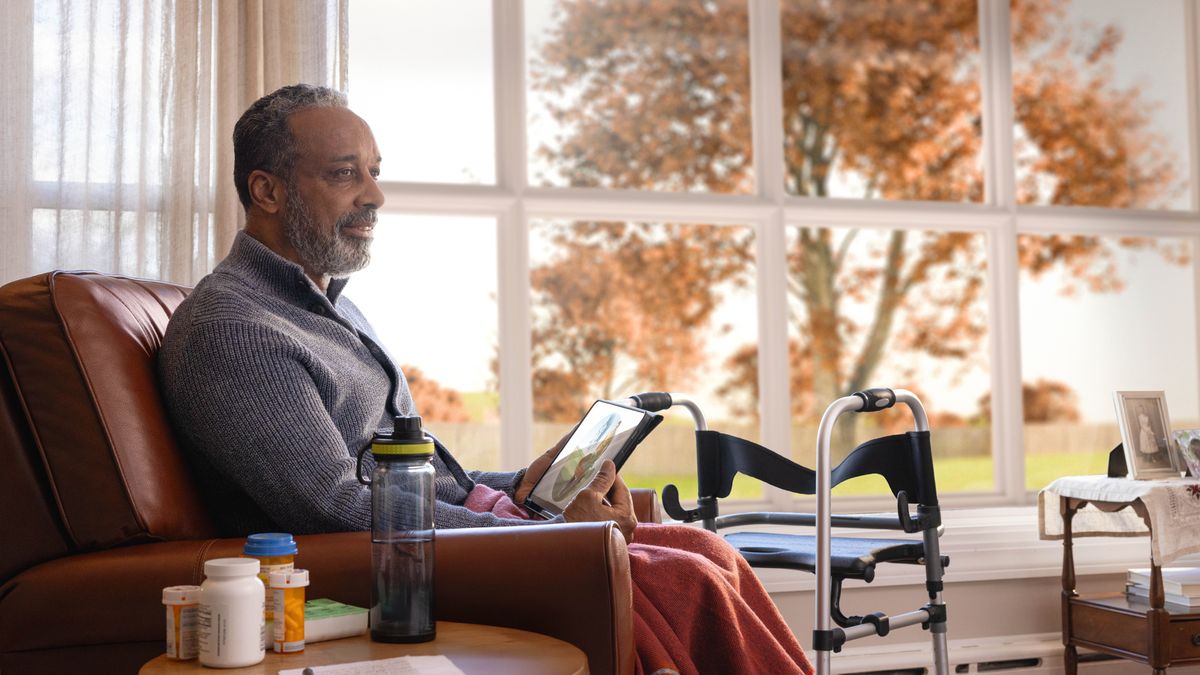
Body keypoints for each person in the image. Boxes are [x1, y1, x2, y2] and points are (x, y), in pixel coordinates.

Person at [159, 84, 811, 674]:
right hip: (382, 576)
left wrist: (516, 486)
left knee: (705, 546)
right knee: (688, 578)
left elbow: (405, 471)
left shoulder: (330, 305)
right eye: (344, 174)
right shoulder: (233, 326)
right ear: (267, 190)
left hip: (435, 542)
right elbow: (335, 504)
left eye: (374, 173)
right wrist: (555, 539)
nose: (375, 196)